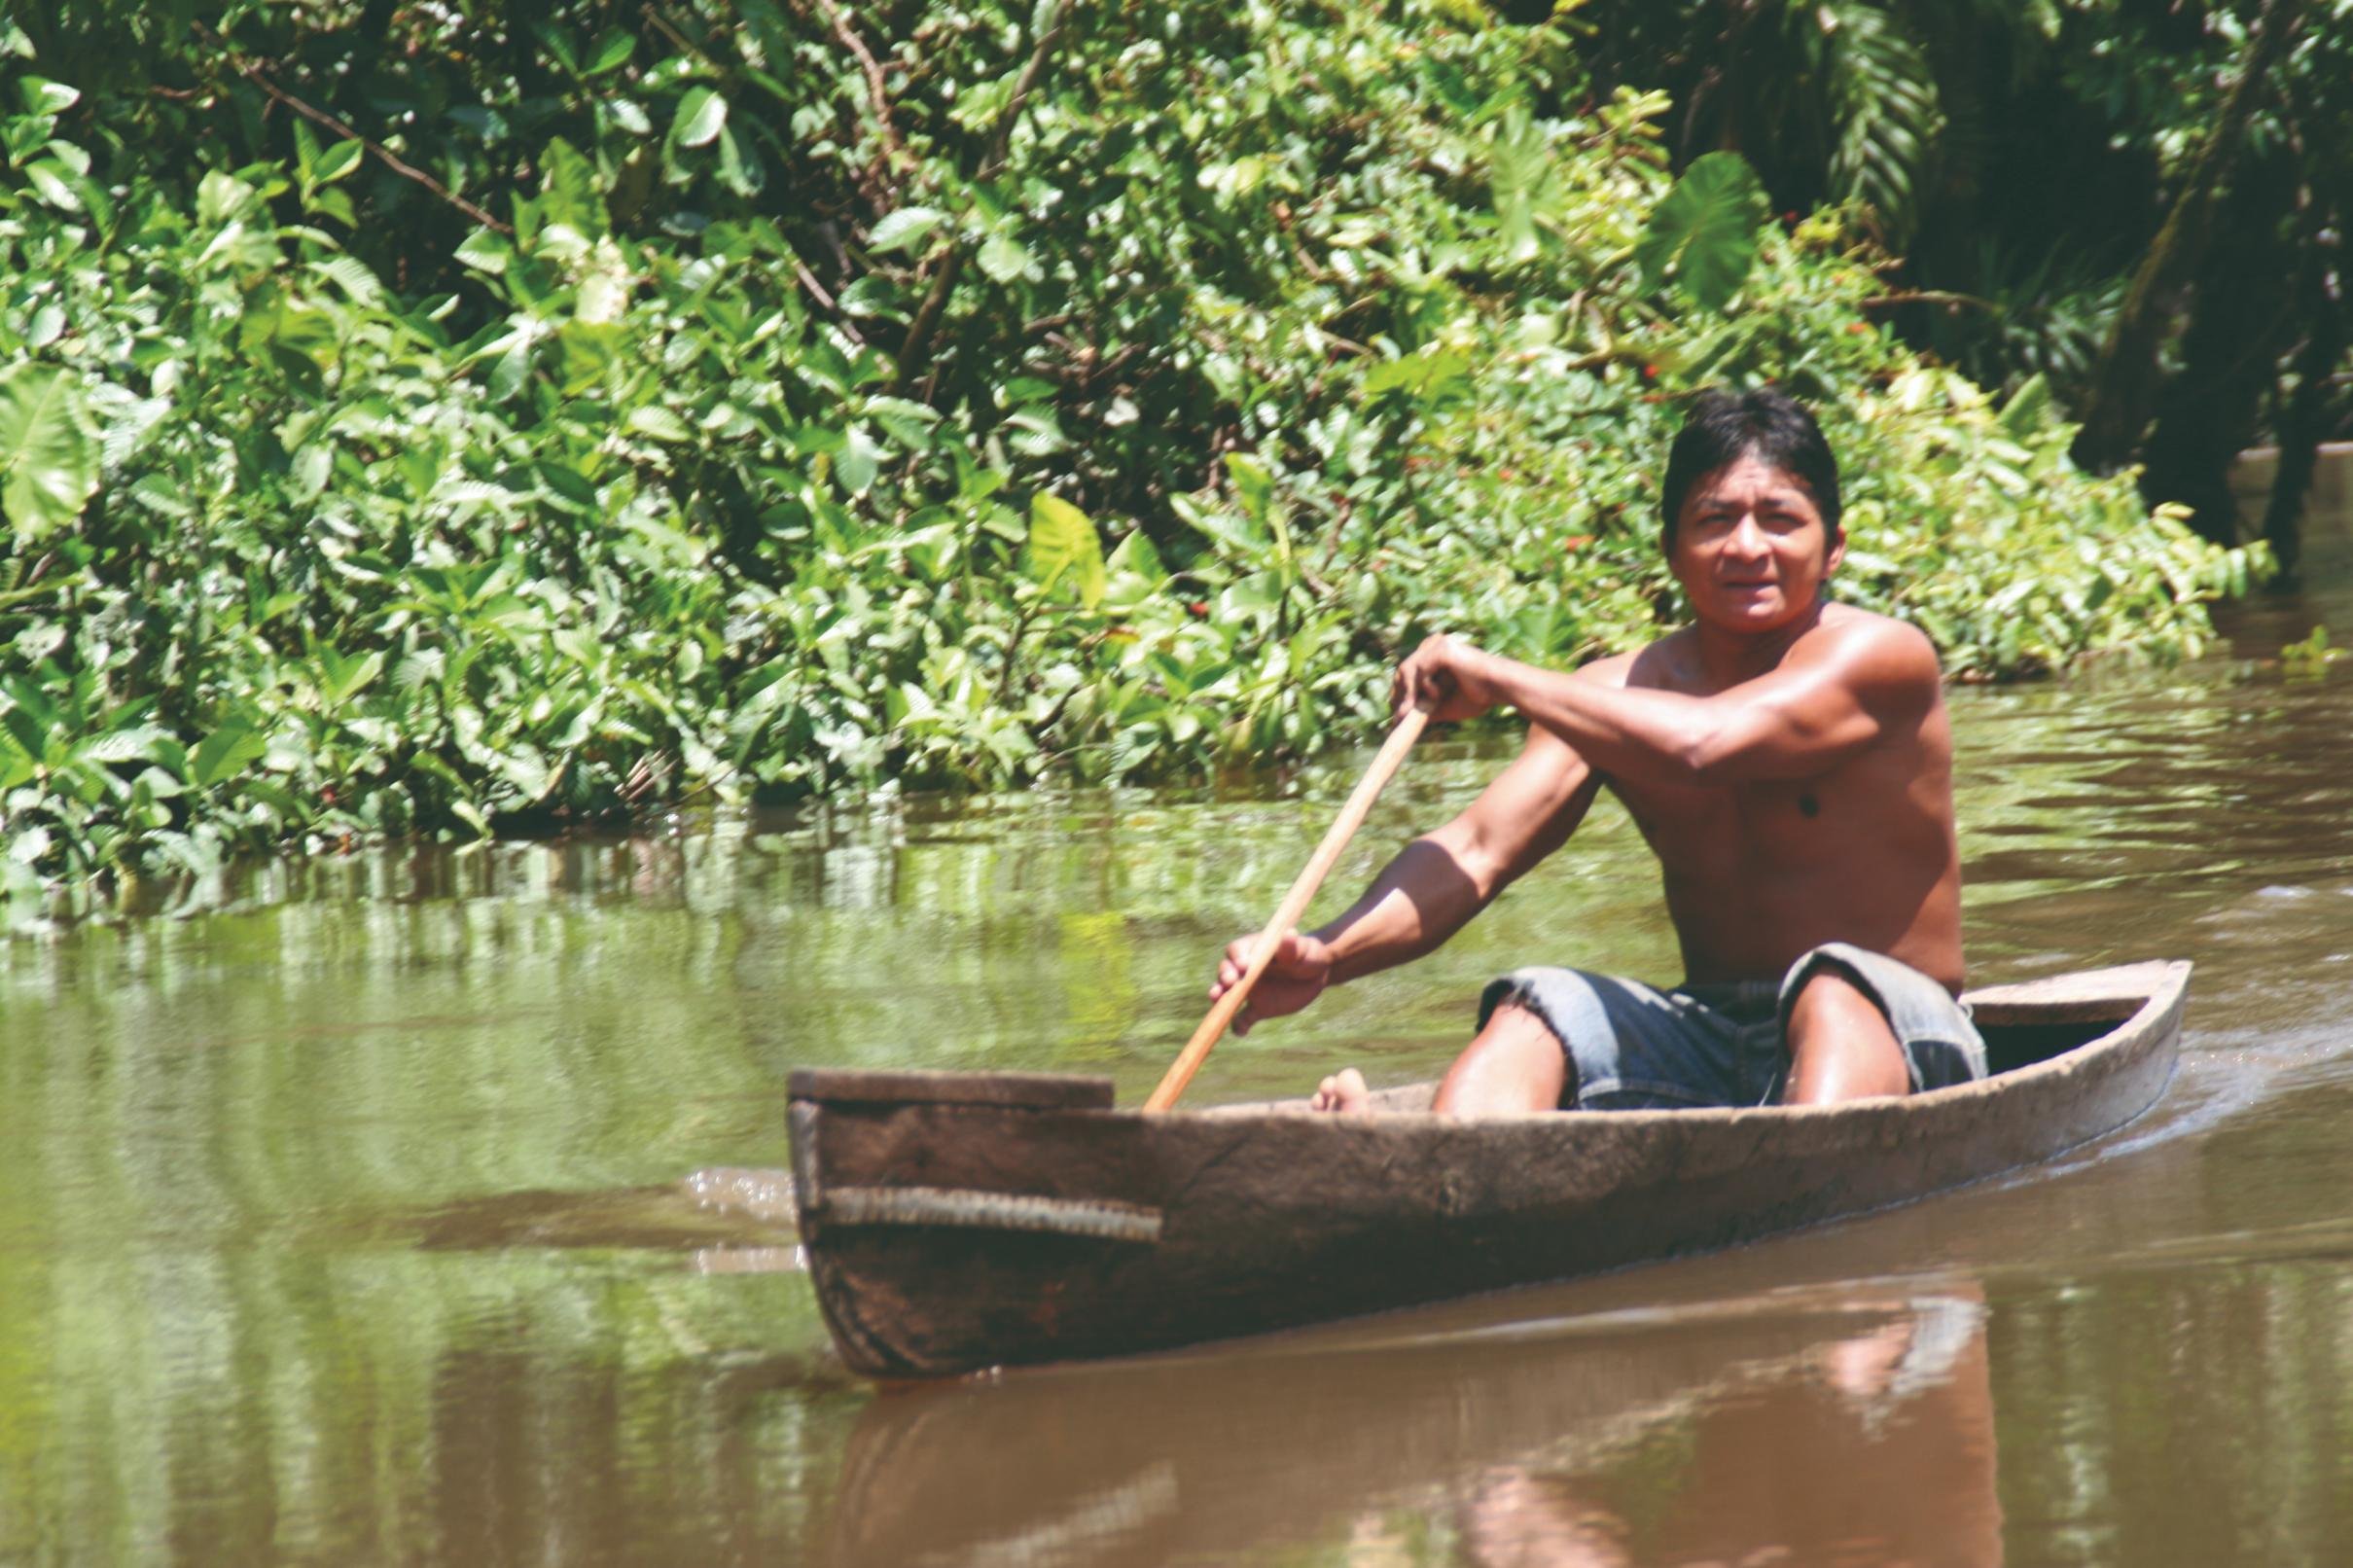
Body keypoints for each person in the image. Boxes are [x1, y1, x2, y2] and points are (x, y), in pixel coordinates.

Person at [1209, 386, 1985, 1115]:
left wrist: (1499, 675)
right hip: (1710, 1028)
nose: (1747, 547)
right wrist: (1326, 952)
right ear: (1670, 549)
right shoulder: (1613, 693)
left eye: (1779, 519)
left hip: (1896, 1022)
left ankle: (1807, 1176)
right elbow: (1478, 850)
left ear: (1833, 547)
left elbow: (1704, 744)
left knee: (1831, 983)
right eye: (1714, 521)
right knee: (1535, 1004)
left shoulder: (1882, 657)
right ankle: (1449, 1163)